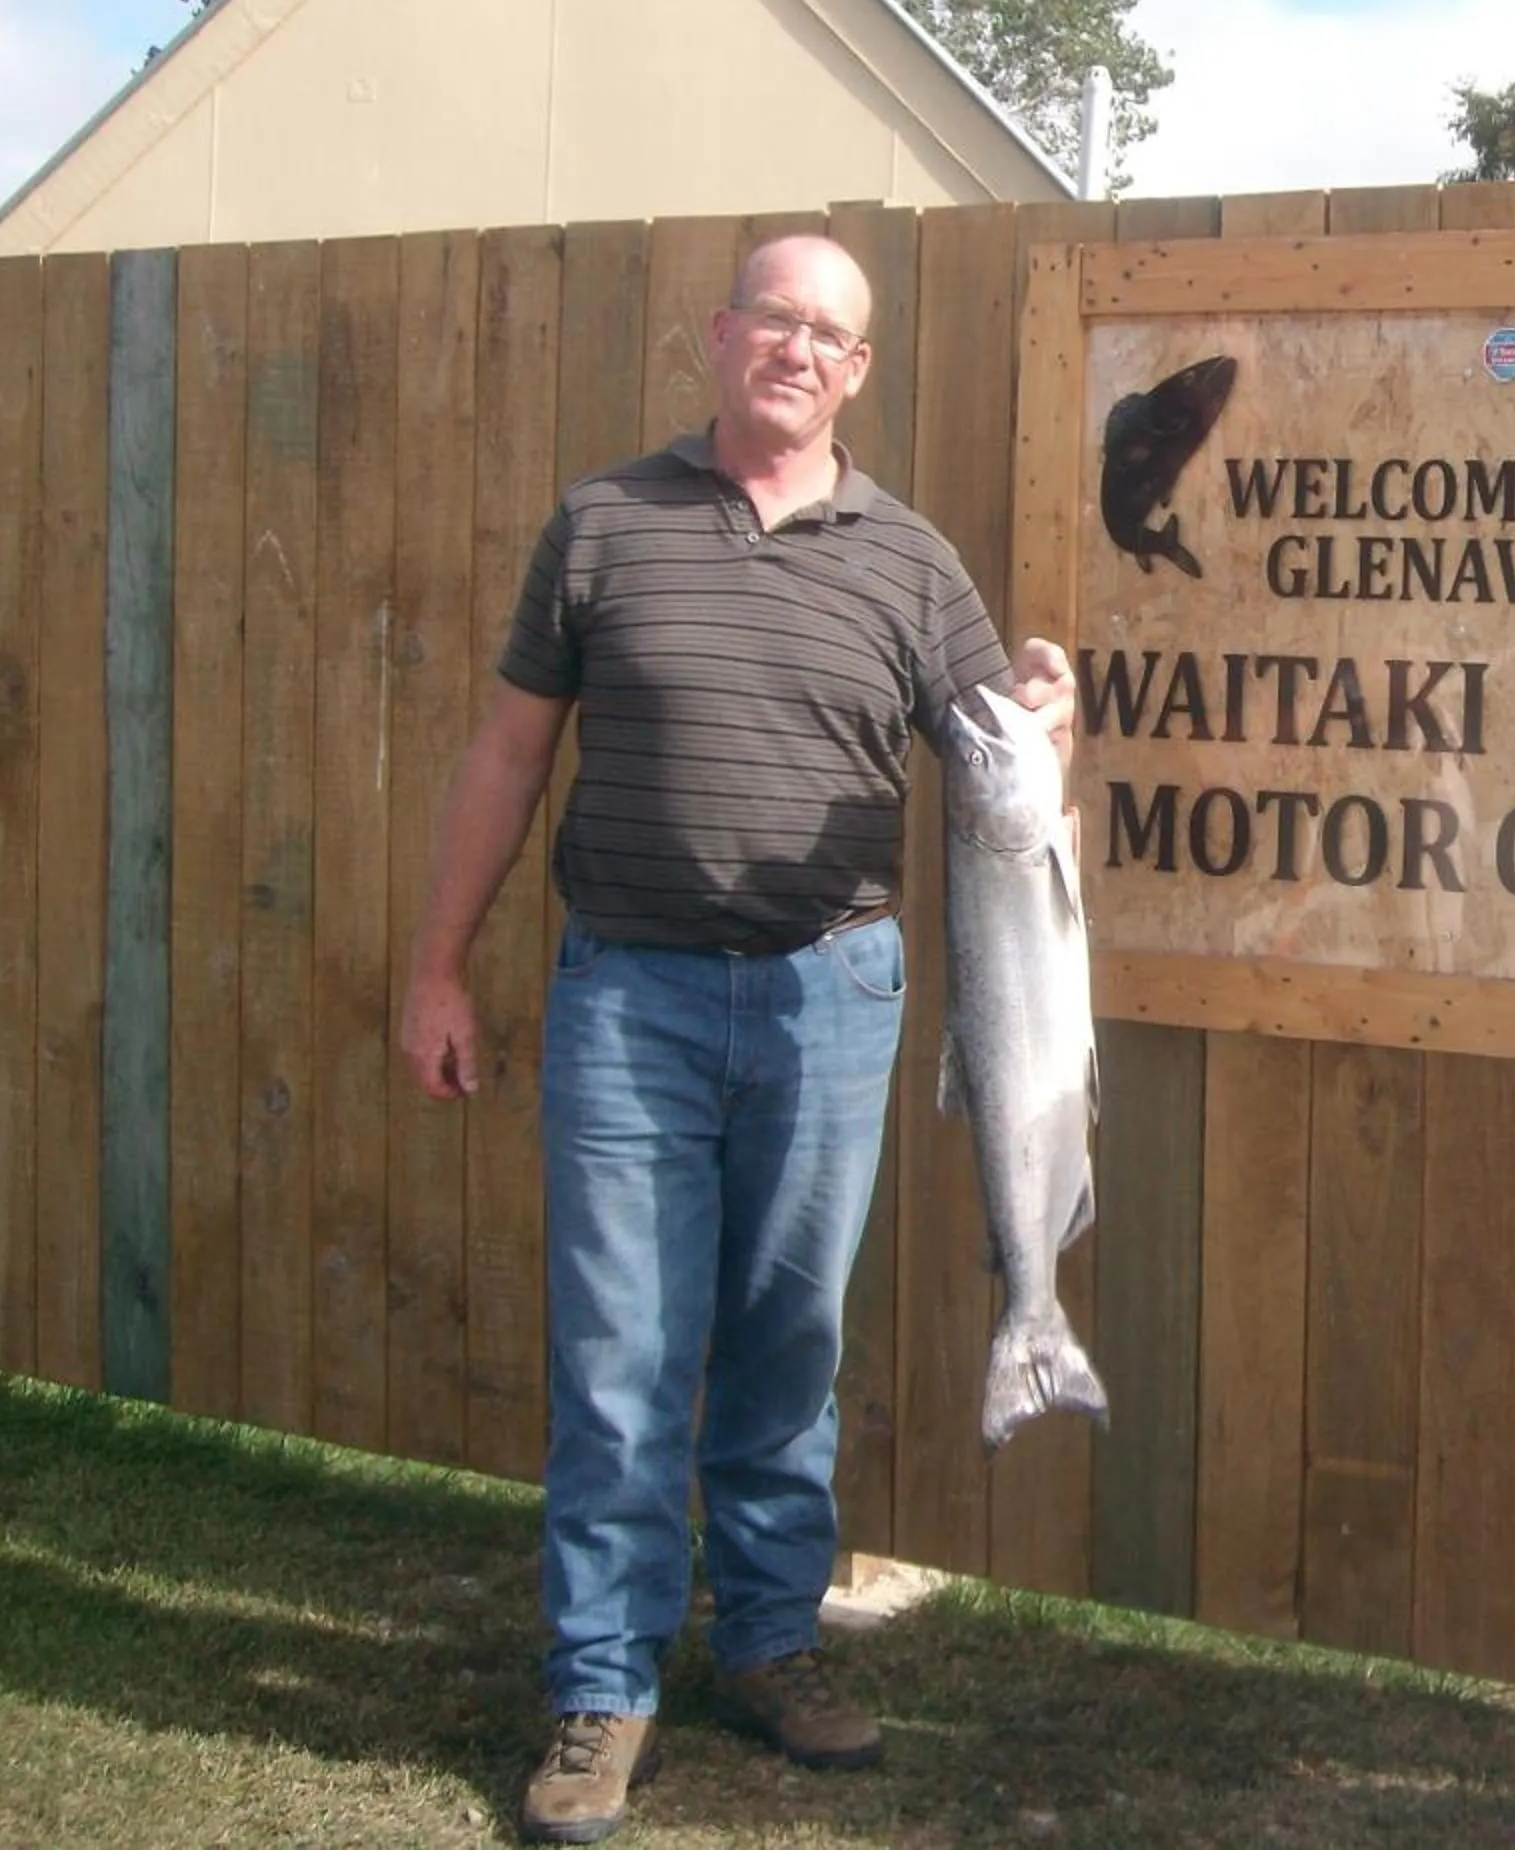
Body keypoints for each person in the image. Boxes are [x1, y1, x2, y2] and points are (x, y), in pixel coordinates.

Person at [396, 234, 1076, 1848]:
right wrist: (437, 967)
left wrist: (1051, 707)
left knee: (786, 1348)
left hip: (831, 1002)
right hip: (625, 995)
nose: (798, 346)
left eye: (830, 332)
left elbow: (1009, 771)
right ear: (719, 336)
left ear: (858, 372)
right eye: (774, 314)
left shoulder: (911, 562)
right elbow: (507, 754)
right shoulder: (605, 521)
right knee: (620, 1355)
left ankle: (768, 1642)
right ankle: (601, 1684)